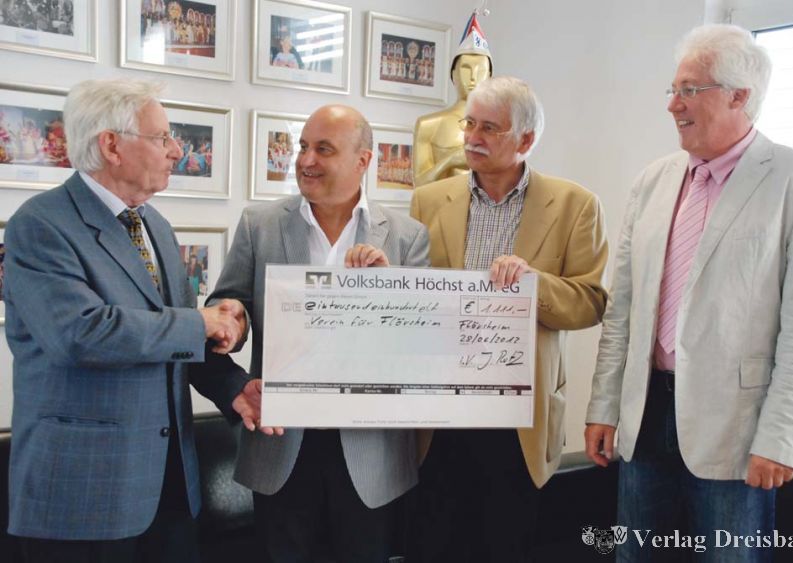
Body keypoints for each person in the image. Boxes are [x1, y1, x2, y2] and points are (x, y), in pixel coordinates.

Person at [585, 24, 793, 562]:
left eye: (689, 90)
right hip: (644, 415)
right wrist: (603, 407)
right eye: (673, 89)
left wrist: (782, 438)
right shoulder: (653, 181)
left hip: (738, 432)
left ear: (739, 96)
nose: (673, 104)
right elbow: (622, 310)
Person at [3, 78, 271, 563]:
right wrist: (201, 323)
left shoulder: (155, 226)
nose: (176, 151)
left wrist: (234, 388)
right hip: (83, 496)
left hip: (170, 488)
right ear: (111, 145)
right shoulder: (40, 225)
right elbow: (80, 334)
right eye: (162, 137)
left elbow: (176, 342)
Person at [208, 104, 430, 562]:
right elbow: (230, 307)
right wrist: (232, 320)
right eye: (303, 147)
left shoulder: (406, 237)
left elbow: (421, 346)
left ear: (363, 161)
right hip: (281, 449)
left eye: (323, 149)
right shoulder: (259, 225)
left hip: (370, 456)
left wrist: (390, 290)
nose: (306, 160)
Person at [410, 76, 609, 562]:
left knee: (505, 543)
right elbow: (411, 290)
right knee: (433, 544)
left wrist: (533, 284)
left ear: (526, 139)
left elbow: (590, 302)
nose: (472, 138)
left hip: (519, 416)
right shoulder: (429, 200)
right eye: (469, 124)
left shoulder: (576, 205)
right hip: (441, 411)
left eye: (489, 128)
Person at [412, 12, 492, 187]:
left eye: (480, 70)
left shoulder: (500, 129)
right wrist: (450, 160)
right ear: (453, 74)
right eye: (465, 68)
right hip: (441, 204)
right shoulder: (429, 125)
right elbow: (419, 186)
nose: (473, 77)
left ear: (490, 75)